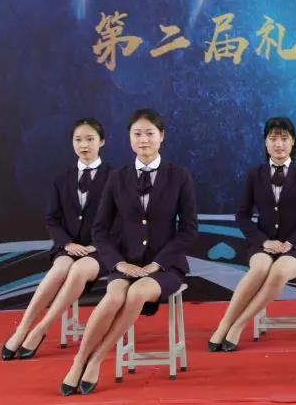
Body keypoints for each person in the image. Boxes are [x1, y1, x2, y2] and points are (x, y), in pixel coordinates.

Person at [58, 108, 198, 395]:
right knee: (114, 296)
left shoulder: (179, 176)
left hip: (166, 267)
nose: (143, 140)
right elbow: (100, 230)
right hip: (126, 263)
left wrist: (158, 264)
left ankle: (96, 360)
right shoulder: (117, 177)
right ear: (129, 138)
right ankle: (79, 360)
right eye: (137, 134)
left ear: (162, 136)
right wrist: (119, 264)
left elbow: (188, 230)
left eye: (149, 133)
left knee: (135, 294)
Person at [1, 118, 112, 361]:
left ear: (102, 141)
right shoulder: (62, 179)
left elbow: (123, 219)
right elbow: (52, 219)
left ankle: (41, 329)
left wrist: (96, 245)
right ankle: (22, 328)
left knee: (79, 270)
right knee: (60, 267)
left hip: (102, 250)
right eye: (78, 139)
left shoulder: (115, 177)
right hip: (68, 246)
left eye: (90, 139)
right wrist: (67, 244)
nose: (84, 145)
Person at [208, 117, 296, 351]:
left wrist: (291, 242)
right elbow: (242, 216)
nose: (278, 144)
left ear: (293, 142)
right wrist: (264, 241)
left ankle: (238, 325)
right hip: (262, 242)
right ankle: (224, 324)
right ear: (265, 142)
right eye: (273, 139)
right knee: (260, 268)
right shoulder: (255, 174)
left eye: (284, 139)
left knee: (278, 272)